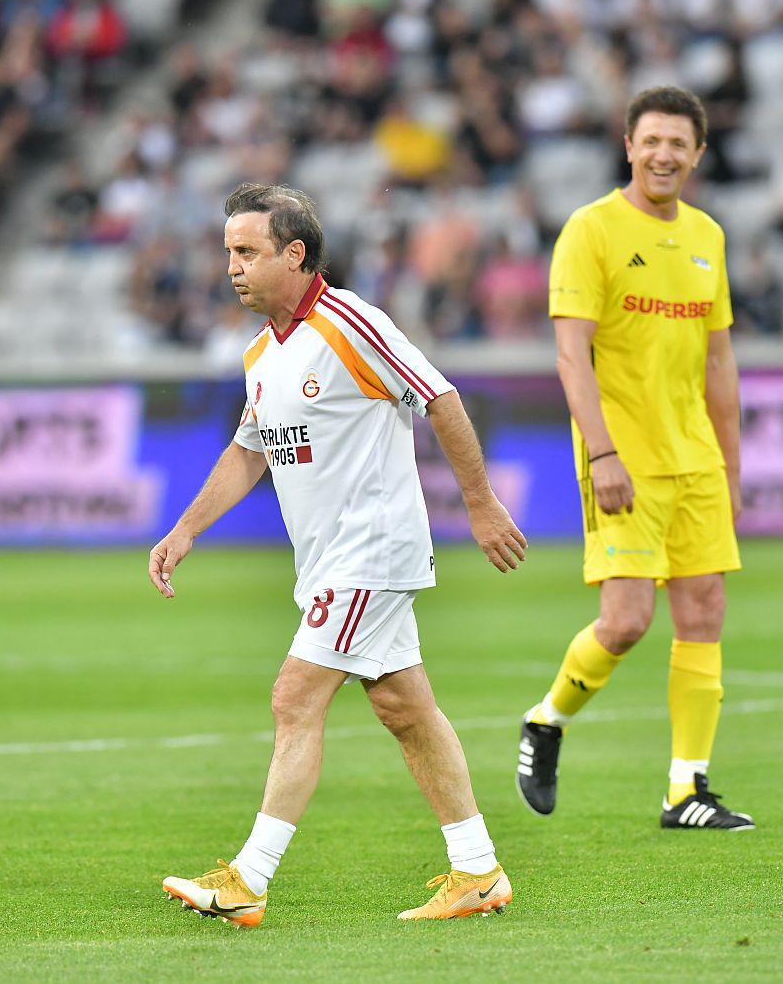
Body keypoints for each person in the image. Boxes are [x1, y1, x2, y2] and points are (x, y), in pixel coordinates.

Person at [150, 183, 527, 925]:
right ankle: (478, 869)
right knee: (404, 708)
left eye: (248, 252)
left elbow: (440, 397)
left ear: (295, 253)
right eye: (228, 251)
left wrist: (480, 504)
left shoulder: (350, 322)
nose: (233, 267)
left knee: (294, 696)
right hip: (329, 563)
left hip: (371, 552)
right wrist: (186, 528)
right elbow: (248, 451)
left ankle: (248, 879)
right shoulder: (262, 352)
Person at [516, 86, 753, 831]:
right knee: (624, 620)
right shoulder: (591, 230)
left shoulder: (709, 237)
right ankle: (547, 719)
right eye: (651, 140)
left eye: (678, 144)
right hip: (624, 459)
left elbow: (720, 364)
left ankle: (687, 788)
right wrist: (605, 451)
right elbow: (570, 352)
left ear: (698, 154)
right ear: (628, 145)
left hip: (696, 461)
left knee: (705, 609)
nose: (663, 154)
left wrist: (733, 469)